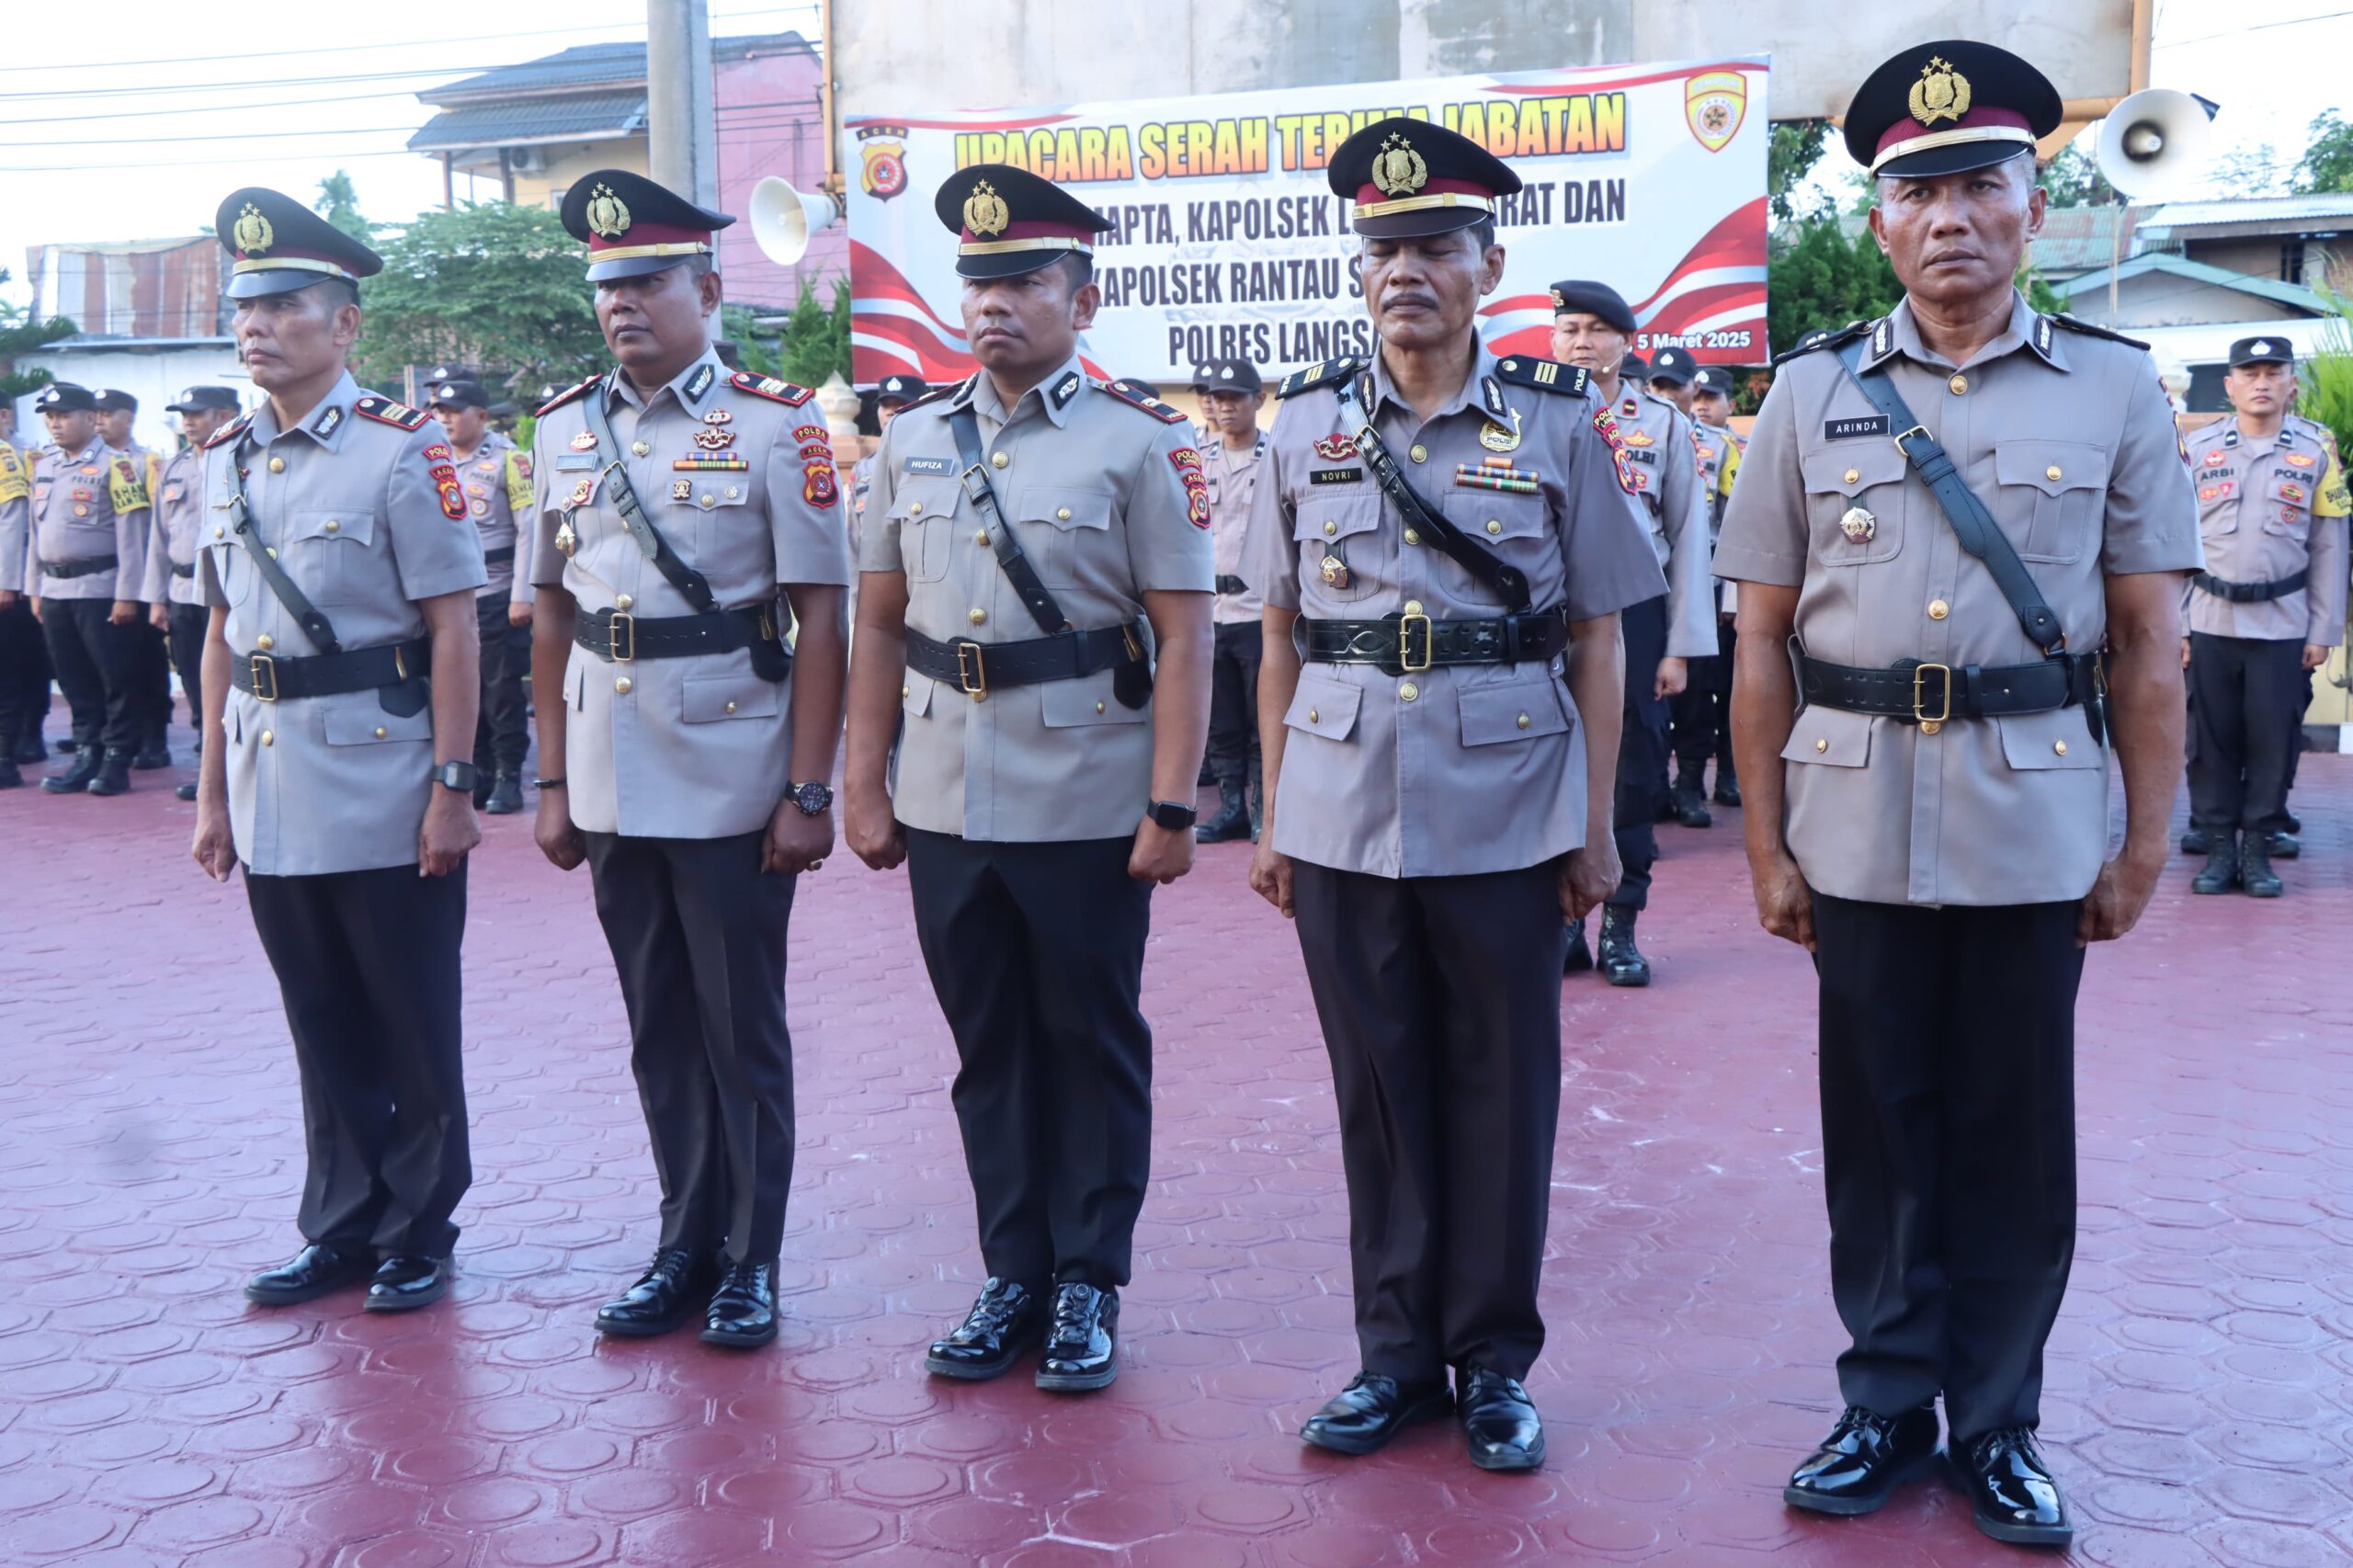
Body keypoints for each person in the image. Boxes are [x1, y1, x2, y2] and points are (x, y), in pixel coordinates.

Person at [1716, 42, 2200, 1549]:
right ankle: (1882, 1403)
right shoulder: (1808, 396)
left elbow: (2148, 643)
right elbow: (1761, 645)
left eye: (1979, 184)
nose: (1950, 219)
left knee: (2009, 1136)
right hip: (1851, 818)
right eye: (1917, 191)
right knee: (1875, 1135)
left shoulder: (2117, 392)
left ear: (2032, 207)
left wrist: (2142, 843)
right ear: (1877, 223)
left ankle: (1994, 1424)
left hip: (2031, 820)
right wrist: (1765, 845)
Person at [1246, 117, 1663, 1471]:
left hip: (1507, 794)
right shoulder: (1304, 422)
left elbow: (1600, 633)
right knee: (1378, 1087)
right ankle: (1391, 1358)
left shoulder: (1554, 421)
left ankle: (1492, 1360)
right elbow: (1278, 636)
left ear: (1490, 262)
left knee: (1502, 1085)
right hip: (1344, 797)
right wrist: (1272, 812)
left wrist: (1596, 827)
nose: (1403, 270)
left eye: (1433, 245)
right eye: (1382, 249)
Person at [842, 162, 1211, 1396]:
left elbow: (1185, 635)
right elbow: (881, 623)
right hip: (946, 792)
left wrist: (1172, 801)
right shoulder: (911, 441)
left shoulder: (1137, 445)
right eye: (980, 282)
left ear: (1081, 297)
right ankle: (1013, 1269)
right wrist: (863, 779)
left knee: (1088, 1040)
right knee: (987, 1041)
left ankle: (1089, 1279)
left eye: (1024, 281)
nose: (995, 302)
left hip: (1088, 797)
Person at [529, 169, 849, 1350]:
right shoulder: (563, 427)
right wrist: (553, 781)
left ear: (708, 288)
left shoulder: (776, 424)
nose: (623, 303)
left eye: (649, 279)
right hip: (611, 771)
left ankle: (750, 1259)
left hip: (730, 767)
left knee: (738, 1028)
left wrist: (808, 788)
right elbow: (551, 614)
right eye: (608, 284)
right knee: (658, 1022)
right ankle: (682, 1241)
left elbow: (824, 614)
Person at [188, 187, 486, 1312]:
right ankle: (343, 1219)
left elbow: (455, 626)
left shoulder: (402, 453)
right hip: (269, 779)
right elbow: (219, 637)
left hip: (381, 770)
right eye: (244, 309)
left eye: (284, 306)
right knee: (318, 1017)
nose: (256, 328)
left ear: (346, 324)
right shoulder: (224, 459)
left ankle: (421, 1221)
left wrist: (454, 786)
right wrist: (211, 796)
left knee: (410, 1013)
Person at [1549, 282, 1717, 984]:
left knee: (1633, 772)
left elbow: (1687, 537)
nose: (1581, 342)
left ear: (1626, 341)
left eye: (1596, 329)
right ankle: (1563, 926)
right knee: (1547, 769)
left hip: (1638, 613)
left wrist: (1678, 647)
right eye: (1568, 329)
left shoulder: (1663, 424)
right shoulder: (1524, 414)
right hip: (1550, 611)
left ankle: (1621, 927)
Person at [2179, 336, 2347, 896]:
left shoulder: (2319, 451)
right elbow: (2171, 544)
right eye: (2249, 373)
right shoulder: (2196, 450)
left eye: (2273, 372)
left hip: (2283, 625)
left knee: (2274, 742)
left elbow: (2331, 545)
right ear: (2229, 385)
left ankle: (2257, 852)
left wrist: (2323, 631)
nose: (2261, 383)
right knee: (2209, 742)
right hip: (2208, 620)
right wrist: (2176, 625)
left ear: (2290, 382)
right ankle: (2218, 848)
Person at [13, 383, 151, 796]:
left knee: (114, 678)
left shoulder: (119, 467)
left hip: (100, 589)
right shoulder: (44, 465)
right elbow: (36, 533)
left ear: (91, 419)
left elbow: (133, 536)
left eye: (64, 415)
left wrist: (128, 594)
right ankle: (87, 752)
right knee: (73, 680)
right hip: (55, 590)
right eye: (50, 417)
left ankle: (116, 758)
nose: (55, 423)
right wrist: (34, 588)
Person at [427, 378, 535, 815]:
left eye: (455, 410)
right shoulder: (432, 460)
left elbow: (529, 530)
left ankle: (509, 774)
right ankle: (481, 770)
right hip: (450, 597)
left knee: (500, 691)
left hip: (497, 591)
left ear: (483, 416)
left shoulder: (511, 460)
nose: (446, 418)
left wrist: (523, 595)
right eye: (440, 410)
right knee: (456, 687)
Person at [143, 386, 244, 801]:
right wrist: (156, 597)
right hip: (185, 590)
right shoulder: (175, 467)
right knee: (195, 682)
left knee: (236, 682)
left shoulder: (245, 456)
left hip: (232, 591)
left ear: (226, 414)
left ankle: (237, 770)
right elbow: (158, 536)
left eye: (197, 414)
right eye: (183, 414)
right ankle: (209, 768)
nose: (187, 421)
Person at [1193, 355, 1267, 843]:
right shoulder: (1196, 460)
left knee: (1262, 719)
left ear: (1258, 401)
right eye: (1218, 399)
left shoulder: (1279, 454)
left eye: (1236, 399)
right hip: (1210, 612)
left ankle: (1263, 810)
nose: (1225, 408)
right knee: (1220, 721)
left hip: (1261, 608)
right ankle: (1230, 807)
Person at [1669, 364, 1745, 820]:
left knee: (1729, 686)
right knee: (1691, 691)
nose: (1700, 403)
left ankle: (1726, 776)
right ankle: (1689, 783)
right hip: (1675, 582)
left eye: (1709, 396)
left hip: (1717, 585)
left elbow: (1743, 525)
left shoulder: (1727, 447)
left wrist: (1734, 597)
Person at [96, 389, 176, 772]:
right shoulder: (86, 464)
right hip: (106, 579)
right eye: (95, 413)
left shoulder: (148, 464)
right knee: (110, 665)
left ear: (128, 419)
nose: (99, 419)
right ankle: (105, 735)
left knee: (146, 662)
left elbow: (158, 527)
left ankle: (154, 737)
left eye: (108, 413)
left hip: (145, 577)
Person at [848, 372, 926, 568]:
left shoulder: (938, 464)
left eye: (899, 404)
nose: (890, 412)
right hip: (877, 583)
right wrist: (855, 597)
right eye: (885, 405)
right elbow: (852, 541)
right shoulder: (862, 470)